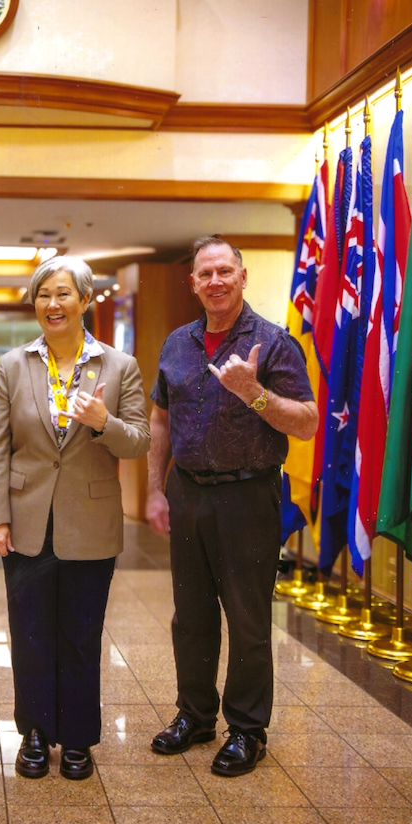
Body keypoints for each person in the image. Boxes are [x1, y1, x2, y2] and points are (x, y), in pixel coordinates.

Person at [145, 236, 316, 777]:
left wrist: (255, 394)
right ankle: (195, 716)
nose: (215, 281)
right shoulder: (177, 343)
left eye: (225, 271)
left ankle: (247, 730)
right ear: (192, 283)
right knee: (190, 617)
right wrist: (154, 488)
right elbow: (160, 421)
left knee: (246, 619)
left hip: (248, 496)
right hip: (188, 492)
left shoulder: (274, 343)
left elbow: (308, 421)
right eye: (205, 273)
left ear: (242, 276)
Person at [0, 256, 150, 780]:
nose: (52, 305)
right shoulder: (12, 366)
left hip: (91, 522)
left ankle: (77, 738)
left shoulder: (119, 366)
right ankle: (33, 733)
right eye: (43, 296)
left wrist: (103, 423)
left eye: (63, 295)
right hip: (27, 521)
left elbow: (140, 441)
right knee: (29, 631)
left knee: (81, 633)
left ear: (86, 301)